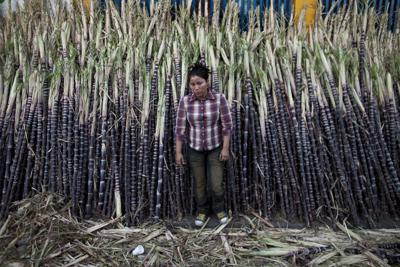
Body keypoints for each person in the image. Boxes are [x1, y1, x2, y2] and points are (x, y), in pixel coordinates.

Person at [175, 64, 232, 227]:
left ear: (207, 82)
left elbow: (227, 125)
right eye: (192, 84)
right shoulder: (185, 102)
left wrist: (226, 148)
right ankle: (202, 211)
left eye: (199, 83)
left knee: (216, 184)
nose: (196, 87)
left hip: (215, 148)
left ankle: (220, 209)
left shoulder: (219, 98)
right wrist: (178, 152)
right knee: (199, 184)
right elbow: (180, 129)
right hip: (195, 149)